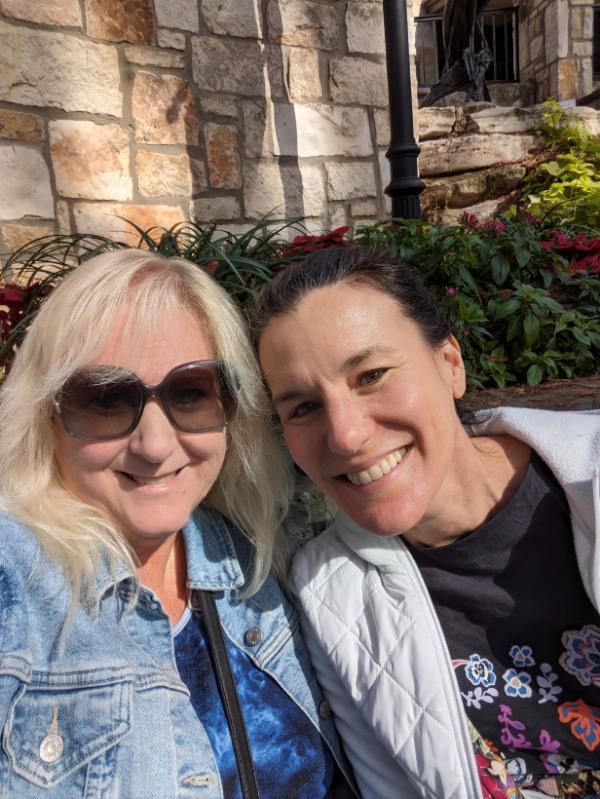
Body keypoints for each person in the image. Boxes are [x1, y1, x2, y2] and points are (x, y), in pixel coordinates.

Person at [0, 249, 354, 799]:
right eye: (107, 399)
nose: (157, 445)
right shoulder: (15, 580)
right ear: (46, 413)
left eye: (190, 393)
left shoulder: (254, 559)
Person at [252, 245, 600, 799]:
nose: (345, 434)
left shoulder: (589, 475)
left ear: (450, 364)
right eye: (302, 407)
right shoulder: (330, 595)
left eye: (371, 375)